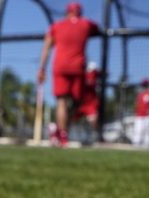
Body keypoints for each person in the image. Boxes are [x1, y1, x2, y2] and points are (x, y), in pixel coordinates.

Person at [37, 2, 101, 147]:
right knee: (75, 102)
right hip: (77, 68)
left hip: (61, 67)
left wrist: (42, 68)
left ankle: (60, 131)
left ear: (67, 13)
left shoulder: (56, 26)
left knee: (63, 101)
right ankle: (62, 133)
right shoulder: (86, 24)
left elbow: (46, 47)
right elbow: (96, 28)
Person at [76, 61, 101, 138]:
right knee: (71, 118)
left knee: (93, 119)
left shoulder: (94, 75)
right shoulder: (82, 75)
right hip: (80, 103)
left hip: (91, 103)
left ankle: (96, 135)